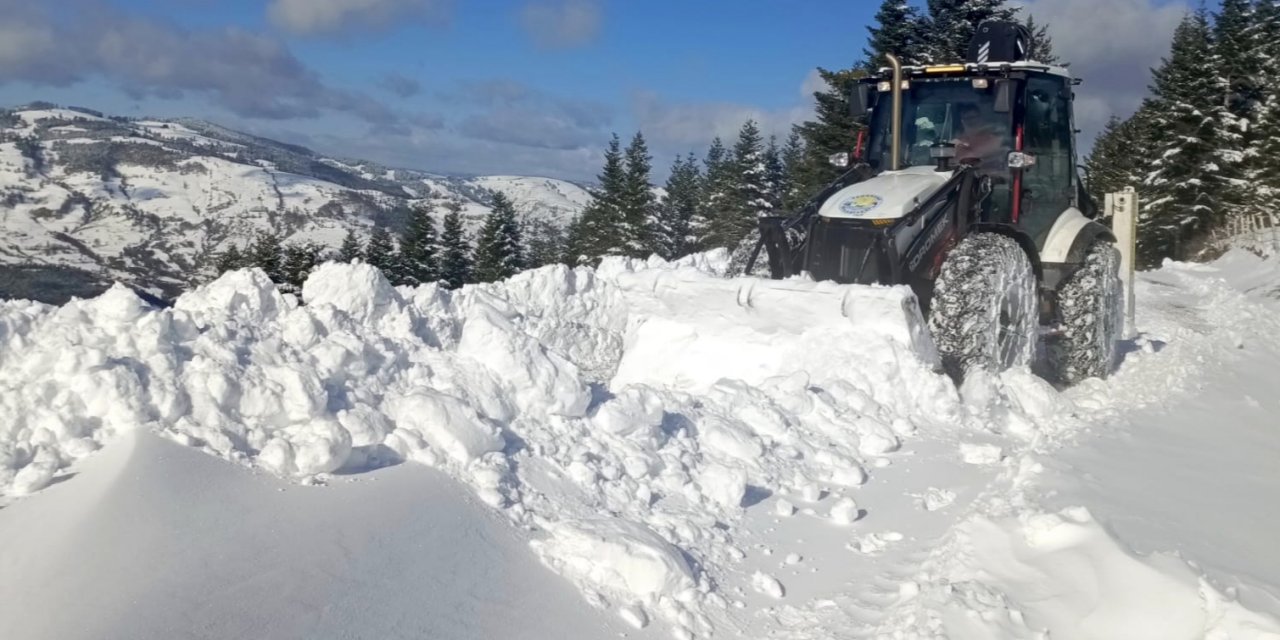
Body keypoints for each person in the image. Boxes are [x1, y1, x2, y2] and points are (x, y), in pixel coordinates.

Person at [952, 104, 1007, 172]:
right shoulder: (958, 140)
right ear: (962, 120)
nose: (970, 121)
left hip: (990, 176)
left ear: (980, 117)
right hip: (962, 176)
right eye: (966, 118)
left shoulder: (992, 136)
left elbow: (975, 155)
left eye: (972, 117)